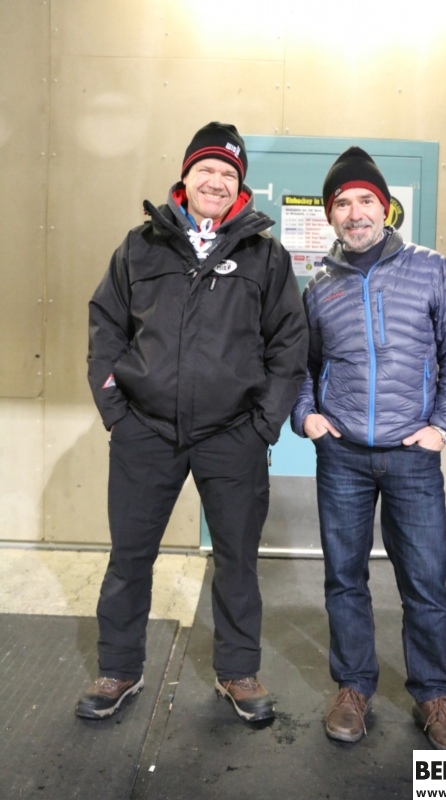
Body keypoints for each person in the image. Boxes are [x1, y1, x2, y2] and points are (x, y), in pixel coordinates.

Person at [77, 122, 308, 723]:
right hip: (145, 431)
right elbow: (105, 329)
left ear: (240, 188)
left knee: (237, 561)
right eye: (206, 169)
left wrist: (263, 424)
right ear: (185, 176)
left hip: (233, 435)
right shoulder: (139, 247)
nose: (216, 181)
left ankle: (238, 671)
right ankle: (119, 668)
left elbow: (290, 344)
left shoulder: (265, 255)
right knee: (130, 558)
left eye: (229, 174)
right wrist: (117, 413)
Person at [291, 146, 446, 750]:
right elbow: (302, 363)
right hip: (342, 455)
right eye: (342, 203)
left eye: (365, 200)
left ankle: (432, 693)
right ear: (330, 214)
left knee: (425, 578)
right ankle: (353, 687)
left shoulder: (431, 269)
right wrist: (306, 416)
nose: (355, 213)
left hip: (412, 454)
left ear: (386, 207)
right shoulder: (319, 285)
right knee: (344, 577)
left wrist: (444, 425)